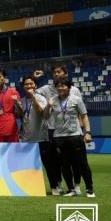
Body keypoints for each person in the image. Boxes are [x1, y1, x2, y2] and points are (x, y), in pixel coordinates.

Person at [35, 63, 83, 194]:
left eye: (59, 72)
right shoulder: (46, 89)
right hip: (53, 129)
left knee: (75, 160)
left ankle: (77, 185)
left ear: (66, 73)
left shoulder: (75, 90)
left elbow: (80, 111)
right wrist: (36, 79)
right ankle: (59, 184)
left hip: (72, 129)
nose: (56, 74)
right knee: (56, 160)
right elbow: (31, 92)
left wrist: (81, 128)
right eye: (55, 72)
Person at [43, 78, 95, 198]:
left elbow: (84, 116)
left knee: (82, 163)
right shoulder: (53, 100)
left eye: (63, 86)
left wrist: (88, 132)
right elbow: (46, 117)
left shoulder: (76, 99)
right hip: (59, 137)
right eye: (58, 86)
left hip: (75, 136)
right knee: (64, 165)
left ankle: (89, 189)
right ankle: (70, 189)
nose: (60, 88)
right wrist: (48, 106)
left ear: (69, 87)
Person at [17, 75, 59, 195]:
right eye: (26, 84)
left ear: (35, 85)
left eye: (31, 84)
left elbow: (39, 110)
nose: (29, 86)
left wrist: (33, 97)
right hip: (26, 139)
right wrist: (16, 103)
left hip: (41, 138)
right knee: (27, 166)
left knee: (48, 164)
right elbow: (21, 114)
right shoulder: (22, 100)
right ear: (23, 86)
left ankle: (54, 187)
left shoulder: (41, 98)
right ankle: (29, 188)